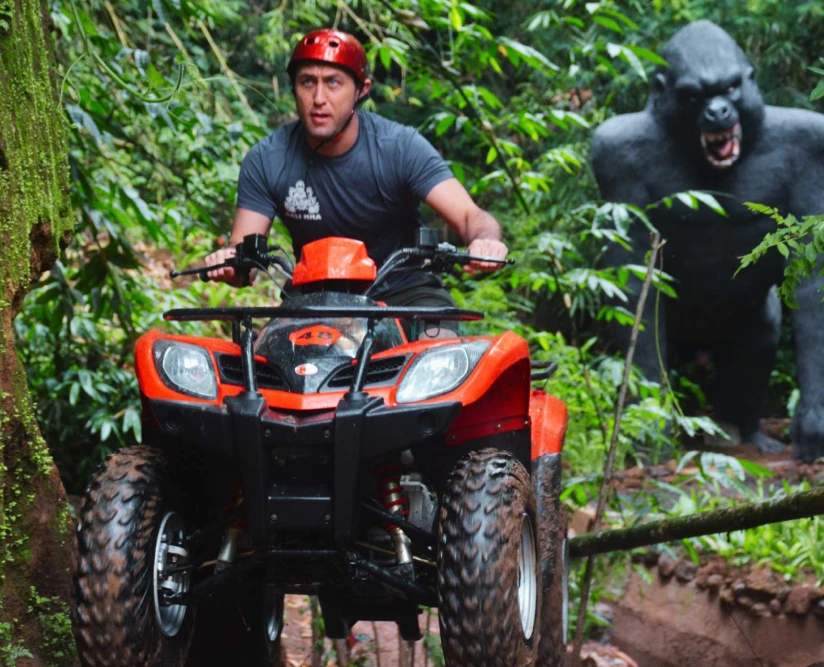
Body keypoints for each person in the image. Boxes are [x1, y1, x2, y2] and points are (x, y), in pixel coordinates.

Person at [204, 28, 507, 333]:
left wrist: (487, 241)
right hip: (313, 294)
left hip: (405, 292)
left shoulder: (399, 147)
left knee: (443, 359)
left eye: (333, 83)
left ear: (362, 90)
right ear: (294, 88)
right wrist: (229, 262)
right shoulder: (268, 158)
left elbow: (470, 216)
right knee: (263, 364)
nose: (318, 98)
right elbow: (244, 266)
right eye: (308, 82)